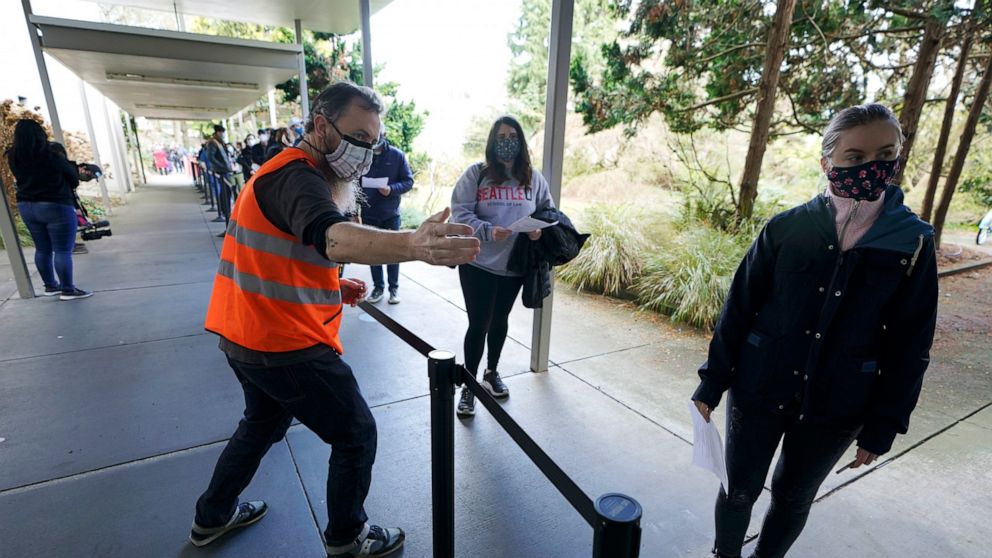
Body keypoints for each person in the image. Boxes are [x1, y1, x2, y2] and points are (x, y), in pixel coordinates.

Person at [191, 81, 480, 558]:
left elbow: (273, 255)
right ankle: (347, 537)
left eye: (374, 142)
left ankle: (212, 516)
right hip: (284, 344)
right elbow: (330, 237)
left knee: (260, 424)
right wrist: (414, 245)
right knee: (355, 434)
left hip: (243, 335)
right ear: (321, 126)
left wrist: (330, 285)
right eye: (359, 138)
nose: (366, 153)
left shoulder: (279, 172)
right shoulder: (298, 177)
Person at [691, 103, 938, 558]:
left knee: (792, 496)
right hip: (760, 387)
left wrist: (884, 424)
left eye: (885, 154)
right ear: (827, 162)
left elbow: (911, 343)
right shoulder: (787, 229)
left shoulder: (913, 242)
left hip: (840, 403)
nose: (872, 168)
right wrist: (714, 380)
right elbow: (739, 307)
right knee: (740, 489)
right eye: (855, 158)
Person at [450, 115, 554, 417]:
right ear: (492, 141)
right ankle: (468, 385)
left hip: (514, 265)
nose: (506, 142)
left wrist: (539, 228)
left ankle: (491, 372)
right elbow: (460, 213)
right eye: (500, 136)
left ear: (521, 141)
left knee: (500, 321)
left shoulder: (533, 178)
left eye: (512, 136)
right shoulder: (476, 175)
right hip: (478, 263)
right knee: (478, 323)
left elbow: (548, 211)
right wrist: (486, 230)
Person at [4, 120, 92, 300]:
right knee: (62, 250)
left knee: (42, 249)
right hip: (56, 205)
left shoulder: (13, 156)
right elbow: (73, 180)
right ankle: (68, 290)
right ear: (40, 134)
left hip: (27, 205)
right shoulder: (51, 155)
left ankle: (50, 286)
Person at [360, 127, 414, 305]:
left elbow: (408, 181)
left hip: (390, 213)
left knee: (393, 253)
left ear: (384, 136)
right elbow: (352, 180)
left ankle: (394, 288)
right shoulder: (362, 154)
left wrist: (391, 189)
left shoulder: (397, 156)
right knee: (372, 252)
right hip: (369, 213)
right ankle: (378, 287)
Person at [206, 124, 234, 228]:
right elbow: (211, 157)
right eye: (222, 132)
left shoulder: (218, 142)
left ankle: (227, 211)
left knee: (227, 191)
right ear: (218, 132)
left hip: (224, 170)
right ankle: (225, 211)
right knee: (224, 191)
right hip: (221, 171)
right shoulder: (213, 143)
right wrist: (222, 166)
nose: (223, 135)